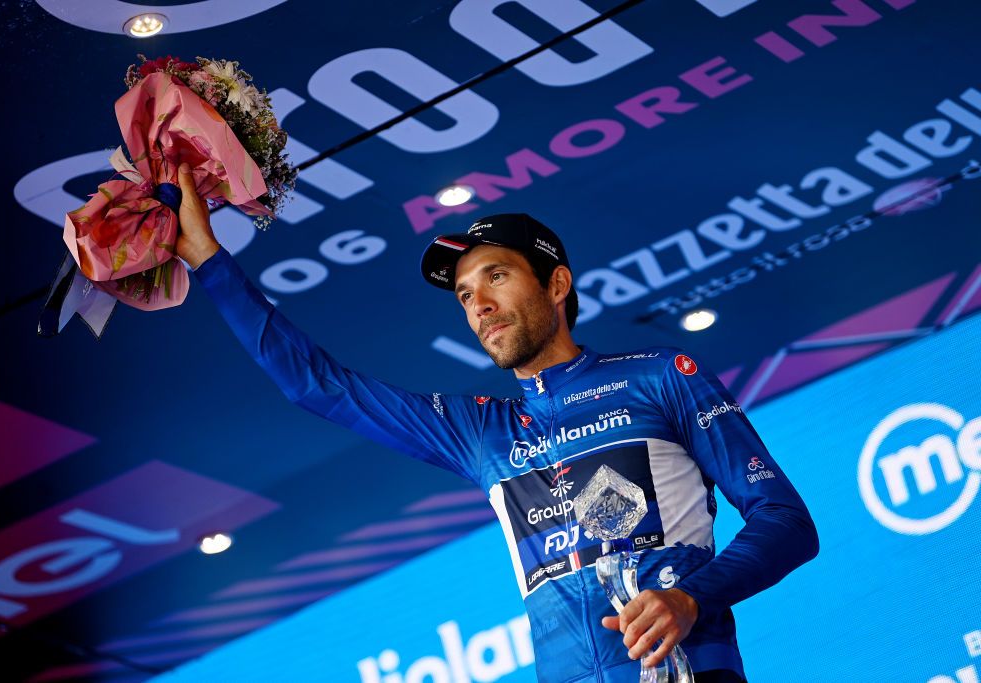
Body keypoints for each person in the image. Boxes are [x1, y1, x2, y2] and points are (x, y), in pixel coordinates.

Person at [174, 164, 818, 683]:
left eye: (497, 277)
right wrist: (207, 257)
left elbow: (786, 521)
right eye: (463, 295)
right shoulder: (480, 431)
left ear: (557, 283)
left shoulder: (661, 375)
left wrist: (691, 598)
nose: (478, 305)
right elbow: (315, 385)